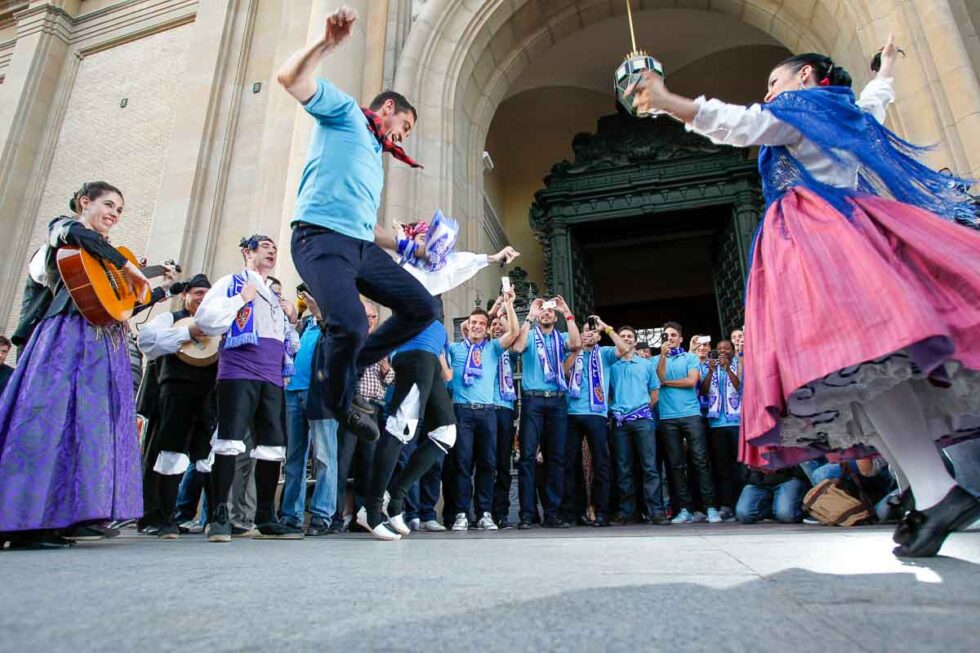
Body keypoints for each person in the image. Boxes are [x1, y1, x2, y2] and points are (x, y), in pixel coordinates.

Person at [631, 35, 980, 556]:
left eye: (775, 82)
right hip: (848, 236)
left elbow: (741, 124)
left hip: (823, 241)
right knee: (868, 370)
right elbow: (873, 102)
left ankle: (934, 490)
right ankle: (923, 490)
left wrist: (667, 101)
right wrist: (884, 71)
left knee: (860, 366)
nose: (769, 93)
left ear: (807, 78)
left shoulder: (804, 108)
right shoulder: (843, 114)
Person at [278, 6, 438, 446]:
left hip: (359, 246)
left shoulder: (374, 159)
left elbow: (369, 230)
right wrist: (326, 43)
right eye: (404, 125)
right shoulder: (345, 114)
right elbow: (290, 79)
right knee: (349, 324)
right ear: (388, 108)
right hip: (319, 239)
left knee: (423, 308)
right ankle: (338, 399)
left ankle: (349, 367)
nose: (403, 136)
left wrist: (414, 247)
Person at [0, 181, 150, 549]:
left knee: (88, 429)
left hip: (103, 346)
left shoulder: (100, 255)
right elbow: (73, 231)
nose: (114, 213)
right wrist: (126, 265)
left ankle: (69, 514)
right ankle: (23, 521)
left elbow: (118, 306)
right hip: (67, 338)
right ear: (85, 203)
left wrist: (139, 287)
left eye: (120, 209)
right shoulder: (64, 231)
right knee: (47, 422)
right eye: (109, 205)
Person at [193, 235, 302, 542]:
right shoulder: (232, 283)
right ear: (247, 252)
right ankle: (219, 516)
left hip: (271, 375)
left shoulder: (273, 294)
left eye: (274, 249)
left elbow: (286, 343)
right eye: (265, 247)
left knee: (272, 444)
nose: (271, 252)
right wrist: (241, 298)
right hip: (239, 370)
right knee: (229, 440)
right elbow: (206, 319)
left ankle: (266, 516)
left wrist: (290, 318)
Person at [137, 274, 217, 539]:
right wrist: (186, 332)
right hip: (175, 392)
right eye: (198, 293)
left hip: (207, 394)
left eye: (207, 293)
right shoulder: (169, 319)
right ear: (186, 295)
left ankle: (208, 516)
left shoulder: (218, 324)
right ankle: (158, 516)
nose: (202, 297)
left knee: (205, 457)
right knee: (168, 454)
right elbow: (147, 342)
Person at [447, 297, 520, 531]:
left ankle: (485, 512)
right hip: (462, 412)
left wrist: (508, 304)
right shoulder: (455, 349)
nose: (477, 326)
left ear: (488, 329)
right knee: (462, 464)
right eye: (472, 322)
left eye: (481, 323)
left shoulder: (493, 349)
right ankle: (460, 513)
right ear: (466, 326)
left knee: (488, 464)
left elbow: (515, 334)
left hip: (488, 412)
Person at [511, 297, 583, 529]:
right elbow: (518, 347)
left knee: (556, 458)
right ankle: (527, 513)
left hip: (557, 402)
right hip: (533, 401)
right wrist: (530, 315)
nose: (546, 314)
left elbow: (576, 344)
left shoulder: (561, 337)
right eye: (542, 311)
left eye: (550, 312)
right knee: (528, 457)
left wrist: (567, 311)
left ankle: (553, 513)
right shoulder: (531, 335)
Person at [330, 300, 393, 533]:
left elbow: (389, 379)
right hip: (350, 408)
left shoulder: (382, 344)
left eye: (373, 317)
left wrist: (386, 365)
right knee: (342, 463)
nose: (369, 320)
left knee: (368, 466)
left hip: (373, 408)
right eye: (365, 315)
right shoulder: (348, 340)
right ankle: (335, 517)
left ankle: (361, 518)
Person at [562, 316, 630, 527]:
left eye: (593, 332)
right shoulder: (572, 349)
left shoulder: (605, 354)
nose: (589, 335)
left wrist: (606, 327)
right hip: (572, 413)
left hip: (597, 414)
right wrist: (578, 348)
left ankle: (602, 512)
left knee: (601, 463)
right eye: (585, 331)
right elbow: (563, 370)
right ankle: (575, 512)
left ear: (598, 335)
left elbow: (625, 349)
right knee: (570, 464)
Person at [282, 291, 337, 536]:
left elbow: (341, 345)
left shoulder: (336, 322)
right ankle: (290, 515)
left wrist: (320, 314)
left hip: (321, 396)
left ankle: (321, 515)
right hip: (293, 392)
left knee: (324, 457)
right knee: (294, 459)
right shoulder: (303, 325)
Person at [653, 322, 720, 524]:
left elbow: (691, 381)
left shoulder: (690, 357)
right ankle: (684, 509)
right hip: (667, 418)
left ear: (681, 338)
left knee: (701, 461)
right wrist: (663, 356)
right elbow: (659, 377)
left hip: (691, 414)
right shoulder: (656, 359)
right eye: (666, 336)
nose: (670, 338)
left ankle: (710, 507)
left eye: (673, 335)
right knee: (675, 465)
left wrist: (666, 384)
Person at [607, 325, 665, 525]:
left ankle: (656, 511)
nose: (626, 339)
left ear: (635, 339)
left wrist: (640, 409)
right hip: (620, 422)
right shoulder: (611, 365)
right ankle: (627, 512)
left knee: (649, 467)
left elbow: (655, 393)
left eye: (629, 336)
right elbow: (607, 394)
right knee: (623, 468)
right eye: (622, 336)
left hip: (643, 420)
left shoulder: (646, 364)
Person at [700, 340, 743, 521]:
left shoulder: (738, 365)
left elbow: (740, 387)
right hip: (717, 424)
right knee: (722, 467)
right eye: (720, 349)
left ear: (733, 350)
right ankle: (726, 505)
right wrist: (710, 371)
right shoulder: (710, 366)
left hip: (736, 422)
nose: (723, 351)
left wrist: (728, 369)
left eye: (726, 348)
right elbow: (702, 390)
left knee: (739, 466)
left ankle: (741, 504)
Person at [490, 310, 520, 528]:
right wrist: (492, 316)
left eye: (501, 327)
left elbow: (515, 333)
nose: (497, 328)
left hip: (505, 409)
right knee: (482, 462)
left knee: (502, 463)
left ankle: (500, 512)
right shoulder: (481, 350)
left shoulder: (510, 352)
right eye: (494, 327)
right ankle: (481, 511)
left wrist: (502, 312)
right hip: (485, 410)